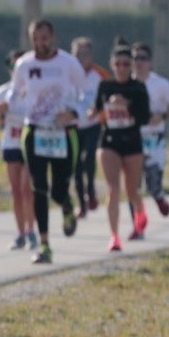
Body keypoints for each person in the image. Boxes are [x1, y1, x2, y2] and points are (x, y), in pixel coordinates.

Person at [11, 19, 86, 265]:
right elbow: (15, 94)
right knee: (39, 187)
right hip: (35, 131)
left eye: (43, 38)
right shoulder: (24, 64)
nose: (39, 43)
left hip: (64, 133)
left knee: (58, 190)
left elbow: (87, 94)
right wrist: (4, 107)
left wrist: (73, 113)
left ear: (52, 37)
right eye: (35, 38)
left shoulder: (68, 63)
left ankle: (66, 204)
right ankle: (44, 246)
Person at [92, 43, 151, 253]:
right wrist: (91, 113)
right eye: (118, 63)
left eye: (126, 63)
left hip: (132, 142)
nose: (122, 67)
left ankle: (140, 211)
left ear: (131, 65)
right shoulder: (105, 86)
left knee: (131, 190)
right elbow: (98, 109)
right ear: (112, 64)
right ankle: (114, 236)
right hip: (109, 141)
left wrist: (126, 104)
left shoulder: (138, 88)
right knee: (113, 188)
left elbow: (145, 118)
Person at [129, 42, 169, 235]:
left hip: (154, 140)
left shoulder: (160, 84)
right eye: (135, 58)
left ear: (150, 62)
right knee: (132, 187)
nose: (138, 62)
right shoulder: (126, 84)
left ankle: (159, 197)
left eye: (142, 58)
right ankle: (137, 226)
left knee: (152, 185)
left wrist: (162, 116)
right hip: (132, 139)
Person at [0, 50, 36, 252]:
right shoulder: (3, 91)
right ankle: (20, 233)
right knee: (16, 191)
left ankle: (31, 230)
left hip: (29, 144)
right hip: (10, 143)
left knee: (27, 189)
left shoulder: (34, 90)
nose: (16, 71)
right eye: (12, 67)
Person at [70, 36, 107, 216]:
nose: (80, 58)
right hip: (75, 125)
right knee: (76, 165)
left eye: (84, 54)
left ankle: (91, 189)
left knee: (88, 159)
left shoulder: (99, 75)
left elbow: (109, 98)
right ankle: (82, 204)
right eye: (77, 54)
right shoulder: (68, 74)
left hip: (93, 124)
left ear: (91, 56)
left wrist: (98, 110)